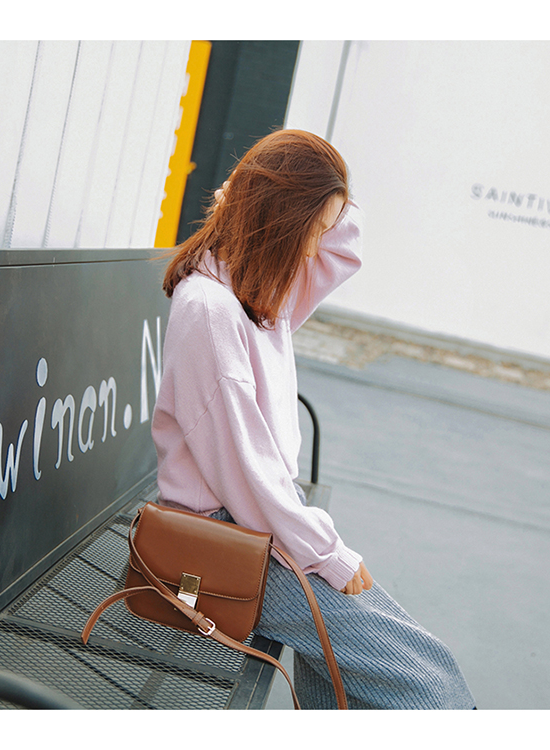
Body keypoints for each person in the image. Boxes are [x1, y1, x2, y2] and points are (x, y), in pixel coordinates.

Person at [151, 129, 475, 709]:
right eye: (311, 230)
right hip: (226, 536)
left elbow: (345, 249)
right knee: (430, 683)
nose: (314, 251)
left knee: (343, 681)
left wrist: (270, 195)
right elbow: (245, 474)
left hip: (260, 519)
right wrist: (326, 553)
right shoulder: (212, 311)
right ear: (279, 220)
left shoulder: (258, 294)